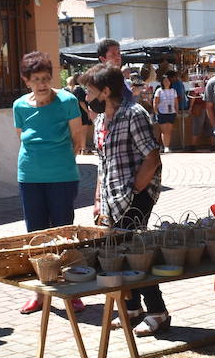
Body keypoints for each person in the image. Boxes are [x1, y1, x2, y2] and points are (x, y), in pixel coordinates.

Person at [81, 64, 170, 336]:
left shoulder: (134, 114)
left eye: (90, 90)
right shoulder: (99, 120)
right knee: (118, 253)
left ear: (106, 91)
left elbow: (152, 157)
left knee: (136, 255)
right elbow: (102, 163)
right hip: (110, 197)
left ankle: (158, 312)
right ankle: (131, 308)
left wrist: (134, 191)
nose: (86, 95)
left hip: (135, 196)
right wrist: (98, 198)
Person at [13, 51, 85, 314]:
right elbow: (22, 137)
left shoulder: (67, 100)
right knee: (36, 236)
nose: (42, 84)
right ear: (26, 80)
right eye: (36, 79)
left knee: (64, 234)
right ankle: (41, 292)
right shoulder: (19, 105)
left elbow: (77, 137)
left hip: (62, 175)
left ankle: (72, 290)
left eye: (45, 78)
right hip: (30, 176)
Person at [152, 72, 180, 152]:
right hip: (162, 112)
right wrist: (156, 111)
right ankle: (166, 147)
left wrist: (176, 110)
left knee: (169, 130)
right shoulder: (159, 90)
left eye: (168, 81)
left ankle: (166, 146)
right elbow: (155, 102)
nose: (166, 82)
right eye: (165, 81)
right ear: (162, 82)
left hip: (171, 112)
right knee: (164, 131)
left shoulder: (173, 90)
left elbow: (176, 102)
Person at [67, 72, 94, 154]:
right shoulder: (79, 89)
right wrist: (87, 112)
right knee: (83, 132)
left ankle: (81, 149)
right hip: (82, 112)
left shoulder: (73, 89)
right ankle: (83, 149)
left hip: (76, 111)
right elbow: (81, 102)